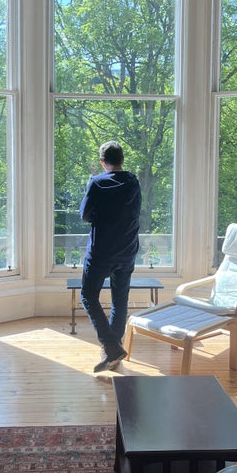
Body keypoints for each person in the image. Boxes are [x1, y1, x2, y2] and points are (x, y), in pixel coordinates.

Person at [79, 141, 142, 373]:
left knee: (88, 295)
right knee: (120, 299)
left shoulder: (96, 182)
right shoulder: (133, 182)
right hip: (127, 250)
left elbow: (85, 215)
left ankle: (111, 347)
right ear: (122, 160)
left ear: (102, 162)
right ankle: (114, 350)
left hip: (101, 252)